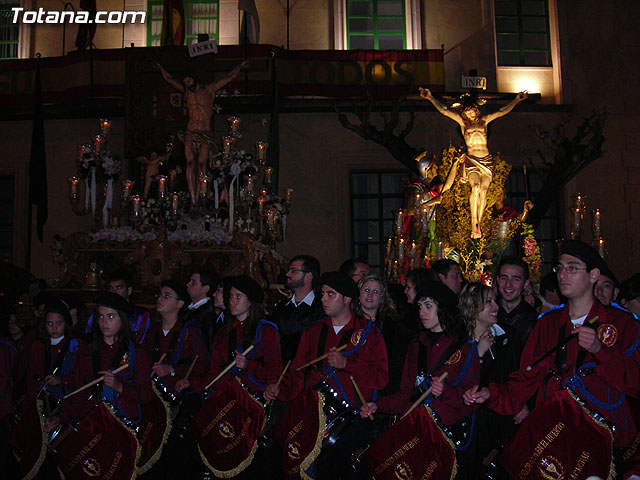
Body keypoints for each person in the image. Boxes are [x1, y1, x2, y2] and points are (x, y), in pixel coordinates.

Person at [464, 240, 640, 459]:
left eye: (572, 268)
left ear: (594, 275)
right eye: (560, 268)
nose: (563, 275)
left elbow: (634, 382)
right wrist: (492, 394)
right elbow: (528, 376)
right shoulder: (547, 323)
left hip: (604, 440)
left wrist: (600, 349)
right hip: (557, 436)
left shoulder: (623, 323)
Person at [265, 272, 388, 479]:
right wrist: (279, 389)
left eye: (330, 294)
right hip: (313, 414)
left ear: (347, 299)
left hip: (352, 420)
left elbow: (381, 378)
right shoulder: (313, 332)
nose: (323, 299)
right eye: (322, 294)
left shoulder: (370, 334)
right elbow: (297, 373)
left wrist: (347, 364)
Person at [360, 281, 480, 478]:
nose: (422, 312)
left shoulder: (464, 348)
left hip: (446, 437)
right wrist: (377, 405)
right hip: (417, 432)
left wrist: (445, 391)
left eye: (428, 306)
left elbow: (472, 400)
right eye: (420, 307)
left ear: (442, 309)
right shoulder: (417, 344)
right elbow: (406, 395)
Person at [419, 88, 528, 238]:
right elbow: (445, 110)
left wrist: (517, 100)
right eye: (467, 113)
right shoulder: (464, 124)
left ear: (476, 111)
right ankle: (473, 223)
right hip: (472, 161)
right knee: (475, 187)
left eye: (472, 112)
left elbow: (502, 111)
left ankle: (479, 223)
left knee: (483, 191)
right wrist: (430, 97)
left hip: (486, 161)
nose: (470, 116)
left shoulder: (485, 121)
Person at [156, 60, 247, 209]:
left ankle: (200, 196)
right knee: (190, 164)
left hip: (205, 132)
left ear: (195, 78)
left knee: (201, 165)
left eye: (189, 79)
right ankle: (193, 199)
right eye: (185, 81)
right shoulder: (186, 92)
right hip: (191, 131)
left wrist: (240, 67)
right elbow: (169, 79)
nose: (187, 82)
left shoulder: (209, 89)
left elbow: (229, 77)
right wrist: (161, 67)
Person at [143, 280, 209, 479]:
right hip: (152, 402)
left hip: (178, 404)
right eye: (160, 295)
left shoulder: (189, 331)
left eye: (167, 296)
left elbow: (202, 365)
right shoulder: (152, 330)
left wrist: (173, 369)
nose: (160, 299)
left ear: (180, 304)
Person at [458, 282, 525, 477]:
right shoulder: (459, 341)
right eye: (488, 302)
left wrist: (521, 403)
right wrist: (478, 353)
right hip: (473, 426)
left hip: (503, 421)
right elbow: (459, 382)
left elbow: (517, 375)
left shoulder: (508, 336)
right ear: (471, 307)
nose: (495, 306)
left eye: (494, 301)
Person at [178, 275, 281, 395]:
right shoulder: (223, 333)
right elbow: (214, 372)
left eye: (238, 297)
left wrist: (248, 365)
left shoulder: (266, 331)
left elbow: (274, 371)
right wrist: (192, 383)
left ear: (250, 301)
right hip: (226, 393)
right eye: (231, 296)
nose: (232, 301)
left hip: (252, 396)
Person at [356, 275, 408, 395]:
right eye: (366, 290)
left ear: (381, 298)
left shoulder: (394, 328)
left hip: (382, 388)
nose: (370, 295)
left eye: (375, 291)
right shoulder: (349, 323)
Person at [270, 255, 324, 363]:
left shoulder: (321, 308)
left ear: (308, 276)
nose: (287, 274)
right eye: (289, 270)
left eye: (293, 271)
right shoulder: (280, 308)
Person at [84, 269, 152, 344]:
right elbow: (89, 338)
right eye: (110, 288)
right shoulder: (98, 313)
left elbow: (141, 342)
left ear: (129, 290)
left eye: (118, 288)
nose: (114, 292)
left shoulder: (139, 315)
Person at [495, 256, 538, 345]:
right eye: (504, 278)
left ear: (525, 283)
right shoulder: (487, 314)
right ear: (498, 280)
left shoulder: (534, 320)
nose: (508, 285)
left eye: (515, 279)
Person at [184, 269, 221, 352]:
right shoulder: (186, 308)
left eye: (193, 282)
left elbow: (208, 345)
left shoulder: (207, 314)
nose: (187, 284)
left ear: (205, 289)